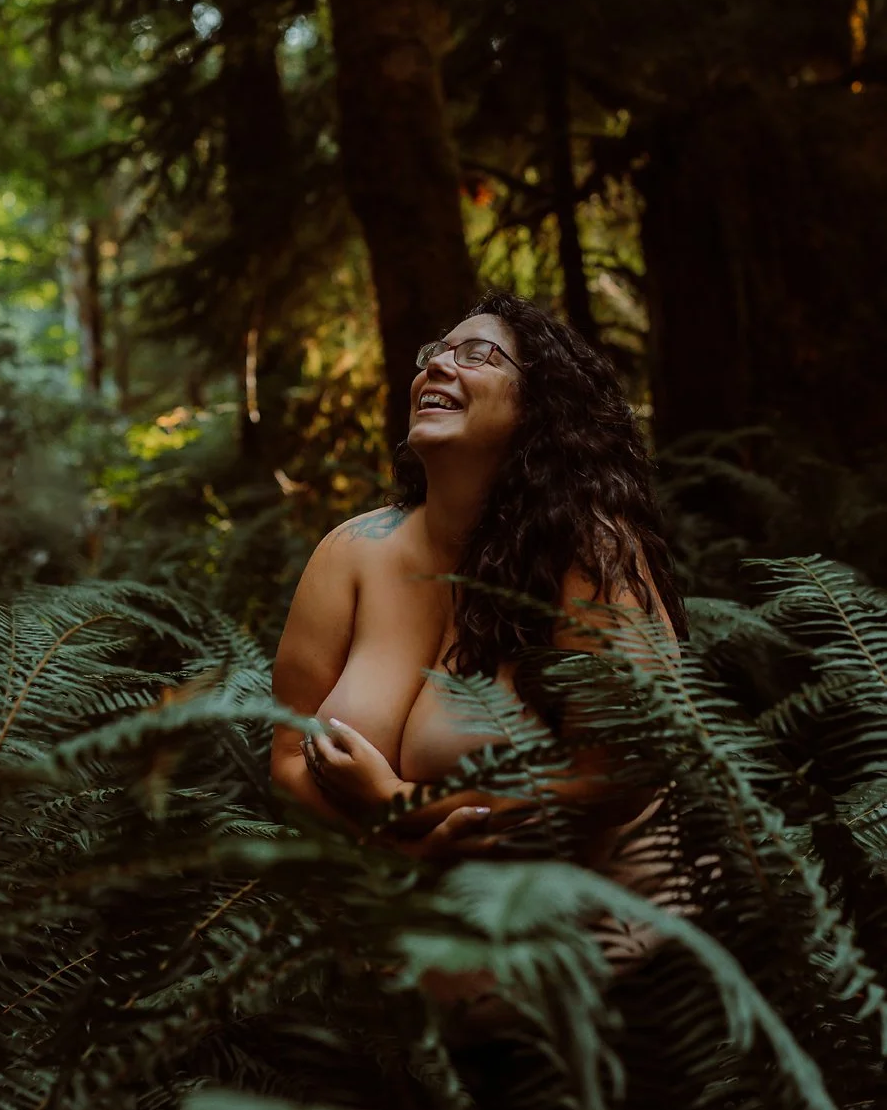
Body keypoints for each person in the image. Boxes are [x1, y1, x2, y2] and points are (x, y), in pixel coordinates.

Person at [270, 289, 687, 879]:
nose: (438, 364)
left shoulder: (590, 555)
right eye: (436, 352)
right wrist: (401, 855)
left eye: (478, 355)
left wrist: (394, 802)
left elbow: (622, 777)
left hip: (590, 931)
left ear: (540, 407)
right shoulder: (349, 552)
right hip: (390, 923)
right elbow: (287, 759)